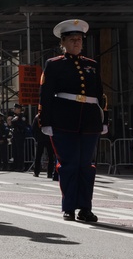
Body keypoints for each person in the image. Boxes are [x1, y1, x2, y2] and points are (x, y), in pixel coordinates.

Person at [39, 18, 105, 222]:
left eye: (79, 39)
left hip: (89, 120)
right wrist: (45, 121)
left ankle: (85, 207)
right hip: (63, 120)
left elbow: (101, 95)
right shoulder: (54, 64)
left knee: (86, 165)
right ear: (63, 43)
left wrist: (104, 120)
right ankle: (69, 207)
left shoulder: (92, 65)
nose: (77, 43)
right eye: (72, 39)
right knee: (68, 165)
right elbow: (46, 94)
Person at [10, 103, 29, 171]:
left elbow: (23, 126)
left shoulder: (22, 116)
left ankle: (20, 166)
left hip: (19, 135)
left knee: (19, 151)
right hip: (15, 135)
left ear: (19, 109)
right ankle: (15, 165)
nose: (14, 110)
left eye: (15, 108)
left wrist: (16, 122)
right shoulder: (15, 116)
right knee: (15, 151)